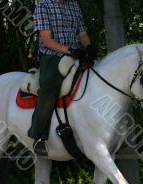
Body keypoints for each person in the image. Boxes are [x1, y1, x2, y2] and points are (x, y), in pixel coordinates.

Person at [28, 0, 95, 156]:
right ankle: (39, 136)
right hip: (53, 56)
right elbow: (46, 40)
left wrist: (89, 47)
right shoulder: (43, 6)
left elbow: (82, 33)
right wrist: (69, 50)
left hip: (77, 54)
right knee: (49, 86)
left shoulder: (74, 5)